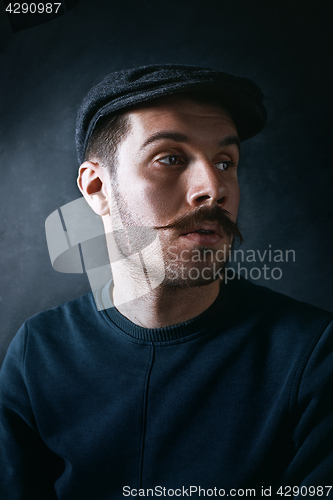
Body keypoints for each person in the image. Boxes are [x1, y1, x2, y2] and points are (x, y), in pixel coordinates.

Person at [0, 64, 332, 499]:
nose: (213, 187)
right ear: (97, 187)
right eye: (170, 158)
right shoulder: (38, 351)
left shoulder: (314, 355)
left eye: (226, 162)